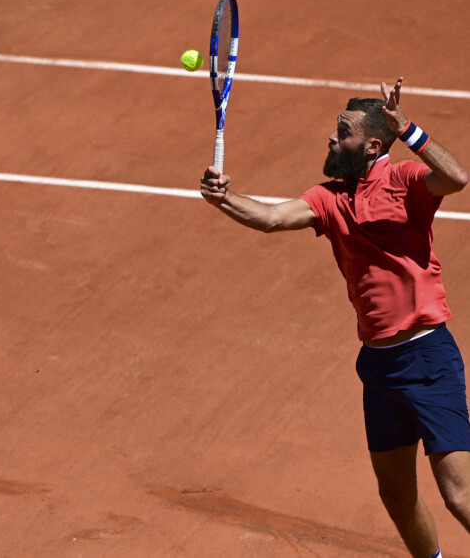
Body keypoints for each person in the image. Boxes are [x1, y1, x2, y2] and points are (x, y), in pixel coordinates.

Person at [200, 77, 470, 558]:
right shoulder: (329, 198)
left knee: (459, 496)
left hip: (428, 358)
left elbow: (456, 177)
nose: (331, 138)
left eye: (341, 132)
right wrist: (225, 198)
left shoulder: (405, 180)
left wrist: (408, 129)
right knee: (396, 495)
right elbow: (272, 217)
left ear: (371, 145)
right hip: (379, 366)